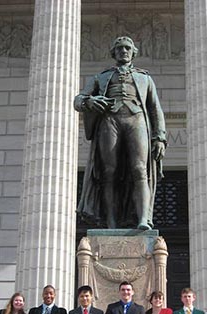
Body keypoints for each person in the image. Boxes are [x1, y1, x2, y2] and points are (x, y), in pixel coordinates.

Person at [74, 36, 166, 230]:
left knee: (140, 169)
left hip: (137, 120)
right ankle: (111, 222)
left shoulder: (145, 78)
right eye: (119, 48)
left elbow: (155, 109)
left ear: (133, 52)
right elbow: (79, 99)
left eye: (127, 48)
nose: (123, 51)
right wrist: (89, 102)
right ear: (113, 53)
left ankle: (143, 219)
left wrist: (159, 137)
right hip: (110, 121)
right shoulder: (101, 77)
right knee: (109, 172)